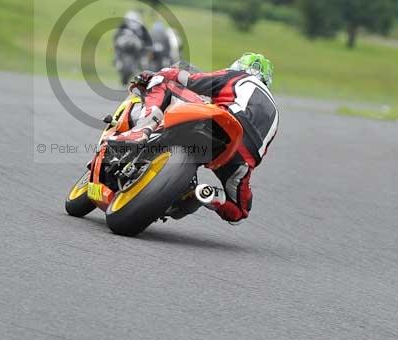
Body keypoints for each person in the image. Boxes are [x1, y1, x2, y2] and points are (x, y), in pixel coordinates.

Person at [110, 53, 279, 224]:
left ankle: (141, 130)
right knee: (238, 212)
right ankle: (206, 195)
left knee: (164, 80)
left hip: (223, 119)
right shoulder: (274, 111)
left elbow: (190, 80)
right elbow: (260, 151)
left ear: (238, 67)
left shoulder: (238, 77)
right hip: (241, 156)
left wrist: (153, 75)